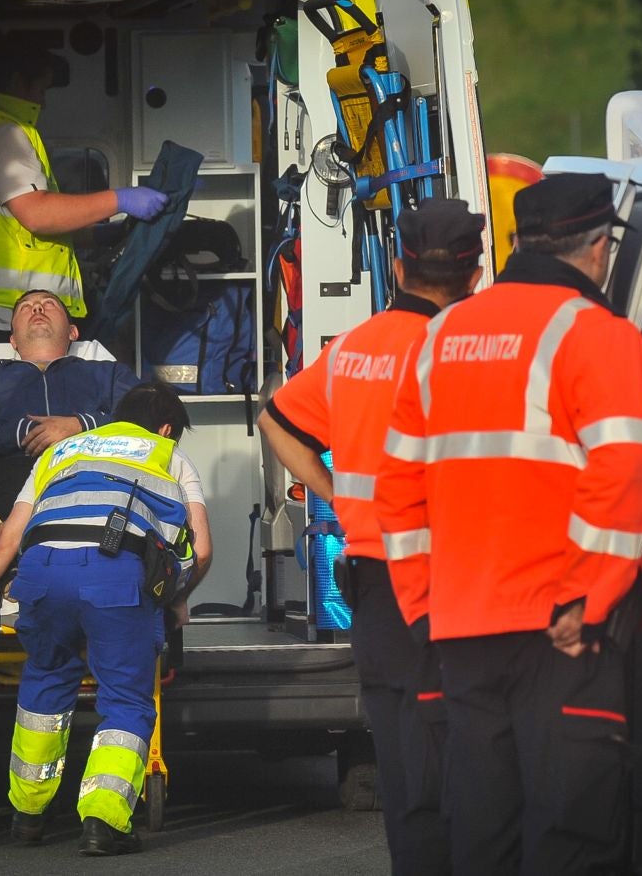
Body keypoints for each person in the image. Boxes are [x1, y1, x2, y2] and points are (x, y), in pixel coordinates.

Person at [374, 173, 642, 875]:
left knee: (483, 832)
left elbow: (396, 487)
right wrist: (587, 596)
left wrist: (423, 605)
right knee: (571, 835)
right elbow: (626, 468)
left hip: (462, 629)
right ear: (598, 249)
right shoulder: (599, 333)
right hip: (562, 633)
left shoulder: (441, 336)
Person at [258, 198, 483, 876]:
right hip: (454, 578)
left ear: (398, 266)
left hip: (374, 582)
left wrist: (334, 494)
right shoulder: (470, 350)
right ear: (474, 274)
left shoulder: (354, 349)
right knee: (467, 756)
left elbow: (276, 422)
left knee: (403, 760)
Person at [0, 382, 212, 857]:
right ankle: (103, 822)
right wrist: (178, 599)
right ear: (166, 428)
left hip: (42, 572)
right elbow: (203, 548)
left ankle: (28, 814)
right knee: (126, 698)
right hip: (116, 575)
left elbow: (7, 539)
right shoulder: (167, 454)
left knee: (45, 683)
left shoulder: (62, 452)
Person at [0, 39, 168, 398]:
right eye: (42, 88)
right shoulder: (1, 131)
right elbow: (38, 213)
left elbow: (4, 226)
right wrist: (120, 199)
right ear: (19, 81)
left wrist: (100, 235)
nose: (43, 102)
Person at [0, 288, 142, 521]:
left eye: (49, 304)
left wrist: (81, 426)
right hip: (9, 473)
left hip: (91, 470)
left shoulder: (110, 374)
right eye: (25, 308)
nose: (37, 308)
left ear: (73, 332)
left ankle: (5, 536)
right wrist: (23, 432)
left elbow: (148, 419)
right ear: (13, 340)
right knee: (2, 486)